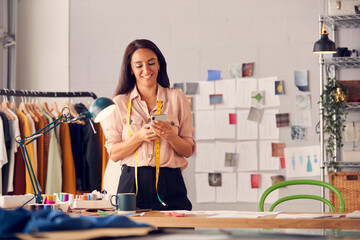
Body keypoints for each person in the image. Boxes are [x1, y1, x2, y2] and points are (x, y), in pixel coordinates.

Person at [104, 39, 195, 210]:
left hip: (170, 182)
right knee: (131, 236)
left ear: (159, 65)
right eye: (138, 65)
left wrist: (171, 136)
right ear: (131, 70)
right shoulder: (119, 103)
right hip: (131, 184)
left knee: (176, 235)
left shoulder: (177, 98)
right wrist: (138, 137)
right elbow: (114, 154)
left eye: (151, 63)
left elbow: (188, 150)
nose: (146, 70)